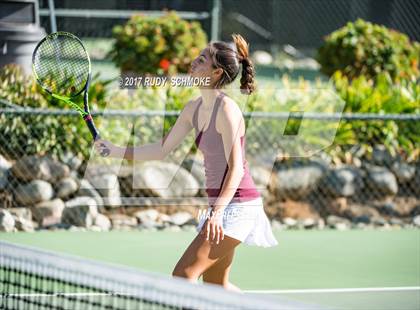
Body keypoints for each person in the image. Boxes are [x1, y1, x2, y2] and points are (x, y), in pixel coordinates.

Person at [94, 34, 278, 292]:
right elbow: (161, 150)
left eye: (202, 59)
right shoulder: (193, 108)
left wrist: (216, 214)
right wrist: (114, 150)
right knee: (217, 286)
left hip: (238, 206)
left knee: (183, 276)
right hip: (222, 206)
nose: (193, 62)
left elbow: (236, 169)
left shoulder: (227, 110)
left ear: (216, 73)